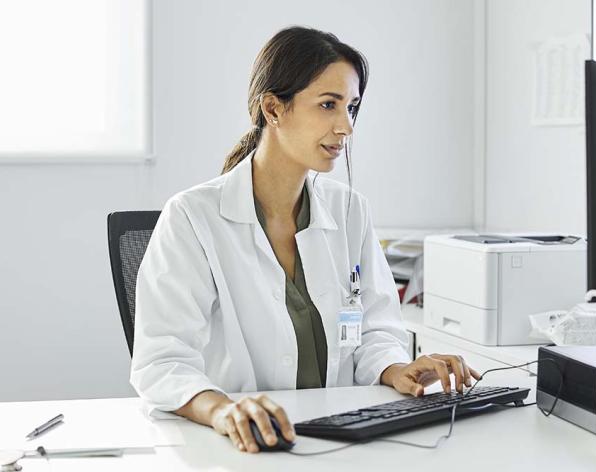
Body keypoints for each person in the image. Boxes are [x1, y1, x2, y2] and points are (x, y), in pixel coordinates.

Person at [130, 26, 480, 454]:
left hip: (337, 438)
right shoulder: (192, 216)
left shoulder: (350, 210)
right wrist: (223, 410)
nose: (346, 126)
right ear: (274, 109)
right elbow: (162, 361)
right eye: (328, 105)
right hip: (236, 445)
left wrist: (396, 368)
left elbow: (376, 327)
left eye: (351, 107)